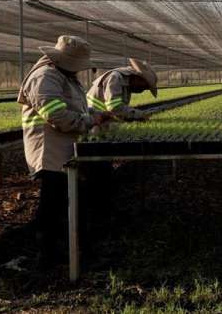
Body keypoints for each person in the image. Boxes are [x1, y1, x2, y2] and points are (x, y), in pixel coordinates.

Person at [17, 35, 110, 266]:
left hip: (65, 149)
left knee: (69, 202)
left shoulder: (65, 76)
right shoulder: (44, 77)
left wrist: (94, 115)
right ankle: (47, 256)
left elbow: (75, 107)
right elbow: (57, 116)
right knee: (52, 204)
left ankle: (71, 251)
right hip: (50, 151)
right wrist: (90, 121)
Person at [86, 58, 158, 122]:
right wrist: (140, 114)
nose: (142, 90)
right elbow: (114, 108)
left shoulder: (127, 84)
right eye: (144, 86)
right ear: (138, 77)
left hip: (103, 117)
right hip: (91, 118)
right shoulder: (115, 78)